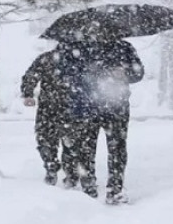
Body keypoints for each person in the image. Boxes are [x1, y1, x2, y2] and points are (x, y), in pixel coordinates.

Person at [56, 39, 144, 205]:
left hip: (117, 107)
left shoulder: (124, 47)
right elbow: (63, 73)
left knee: (117, 148)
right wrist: (87, 73)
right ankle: (88, 189)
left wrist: (124, 73)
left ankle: (115, 190)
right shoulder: (78, 47)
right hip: (87, 107)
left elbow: (138, 73)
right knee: (86, 149)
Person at [21, 49, 75, 186]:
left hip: (49, 106)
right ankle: (68, 171)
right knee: (70, 142)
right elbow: (31, 76)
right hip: (70, 107)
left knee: (47, 139)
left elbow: (30, 75)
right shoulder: (78, 59)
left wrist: (28, 93)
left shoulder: (47, 58)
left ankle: (52, 166)